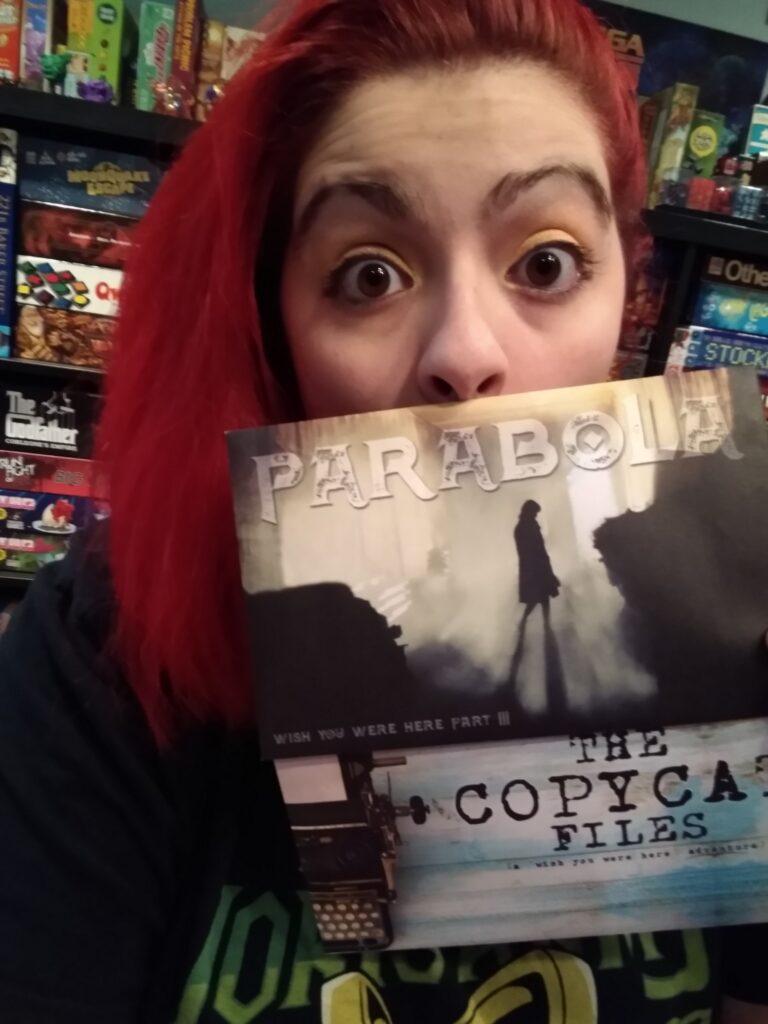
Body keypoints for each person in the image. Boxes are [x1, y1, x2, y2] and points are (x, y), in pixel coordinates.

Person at [0, 0, 766, 1020]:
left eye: (545, 263)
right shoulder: (101, 649)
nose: (465, 351)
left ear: (630, 289)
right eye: (370, 275)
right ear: (273, 322)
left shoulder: (719, 613)